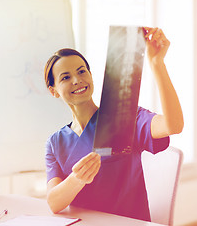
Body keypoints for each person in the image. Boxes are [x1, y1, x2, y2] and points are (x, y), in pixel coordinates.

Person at [43, 27, 183, 221]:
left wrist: (157, 63)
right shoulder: (55, 142)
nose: (77, 80)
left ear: (91, 76)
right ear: (54, 90)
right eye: (65, 77)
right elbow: (54, 203)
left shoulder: (124, 117)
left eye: (82, 71)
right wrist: (78, 179)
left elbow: (173, 125)